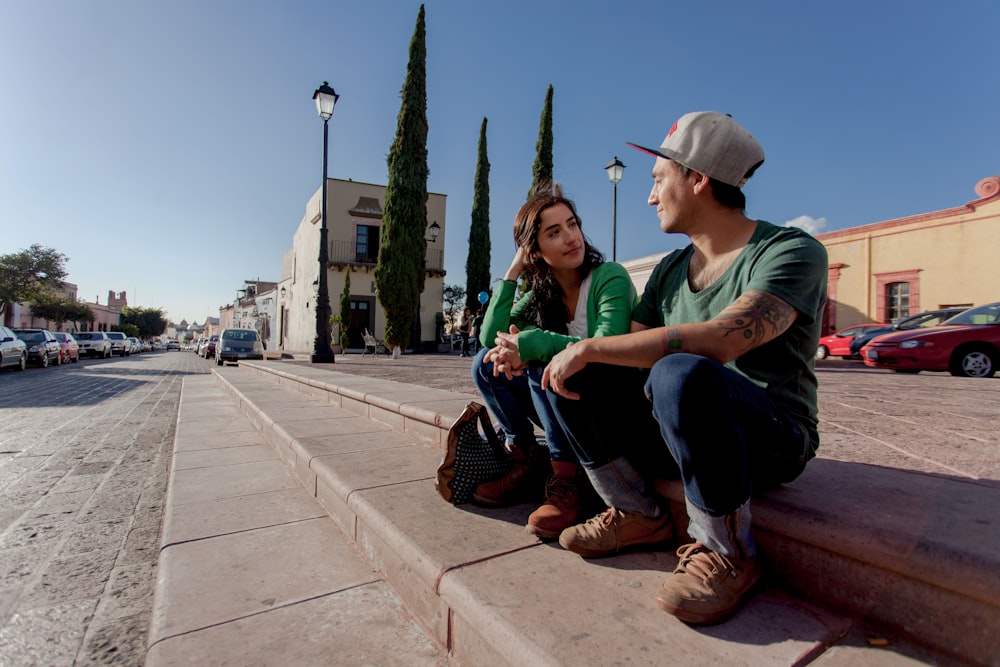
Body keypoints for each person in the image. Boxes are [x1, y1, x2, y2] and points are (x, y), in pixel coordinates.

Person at [527, 112, 828, 624]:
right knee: (568, 373)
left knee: (679, 371)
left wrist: (593, 348)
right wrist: (571, 353)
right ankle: (638, 514)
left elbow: (721, 340)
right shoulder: (670, 268)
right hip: (678, 428)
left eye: (658, 181)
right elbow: (622, 348)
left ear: (698, 178)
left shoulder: (791, 251)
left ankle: (728, 552)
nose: (650, 197)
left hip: (772, 437)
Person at [471, 182, 637, 538]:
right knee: (486, 363)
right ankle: (528, 457)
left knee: (542, 362)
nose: (571, 237)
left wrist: (532, 345)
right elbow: (489, 337)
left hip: (611, 404)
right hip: (565, 406)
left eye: (573, 224)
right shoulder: (539, 293)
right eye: (554, 232)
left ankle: (568, 482)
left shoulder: (609, 278)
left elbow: (607, 345)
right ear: (535, 249)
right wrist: (514, 272)